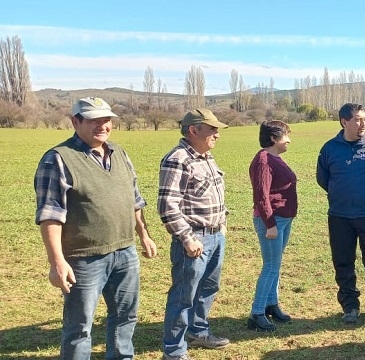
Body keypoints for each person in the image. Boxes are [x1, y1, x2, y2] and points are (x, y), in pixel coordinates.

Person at [34, 97, 158, 359]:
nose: (102, 125)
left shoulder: (119, 153)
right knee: (80, 326)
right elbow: (50, 215)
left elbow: (134, 199)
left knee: (125, 317)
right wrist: (57, 262)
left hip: (125, 252)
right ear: (75, 122)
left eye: (106, 120)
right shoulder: (58, 159)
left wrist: (144, 235)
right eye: (93, 120)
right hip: (83, 258)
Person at [316, 103, 365, 327]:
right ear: (344, 122)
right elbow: (323, 179)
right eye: (357, 120)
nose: (363, 124)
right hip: (339, 216)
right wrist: (341, 195)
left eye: (364, 119)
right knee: (343, 262)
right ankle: (350, 307)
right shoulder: (329, 149)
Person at [159, 108, 229, 360]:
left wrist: (221, 225)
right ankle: (174, 350)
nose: (217, 135)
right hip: (194, 238)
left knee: (208, 287)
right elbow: (167, 205)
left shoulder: (206, 157)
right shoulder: (178, 159)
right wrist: (187, 238)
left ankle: (198, 332)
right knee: (183, 295)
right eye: (212, 129)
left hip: (215, 235)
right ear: (193, 130)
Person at [247, 120, 297, 332]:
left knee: (275, 265)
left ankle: (271, 304)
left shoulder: (275, 159)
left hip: (283, 220)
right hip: (272, 221)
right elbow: (261, 195)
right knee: (270, 266)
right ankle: (256, 313)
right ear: (273, 138)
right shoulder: (263, 161)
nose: (289, 140)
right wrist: (270, 224)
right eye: (285, 135)